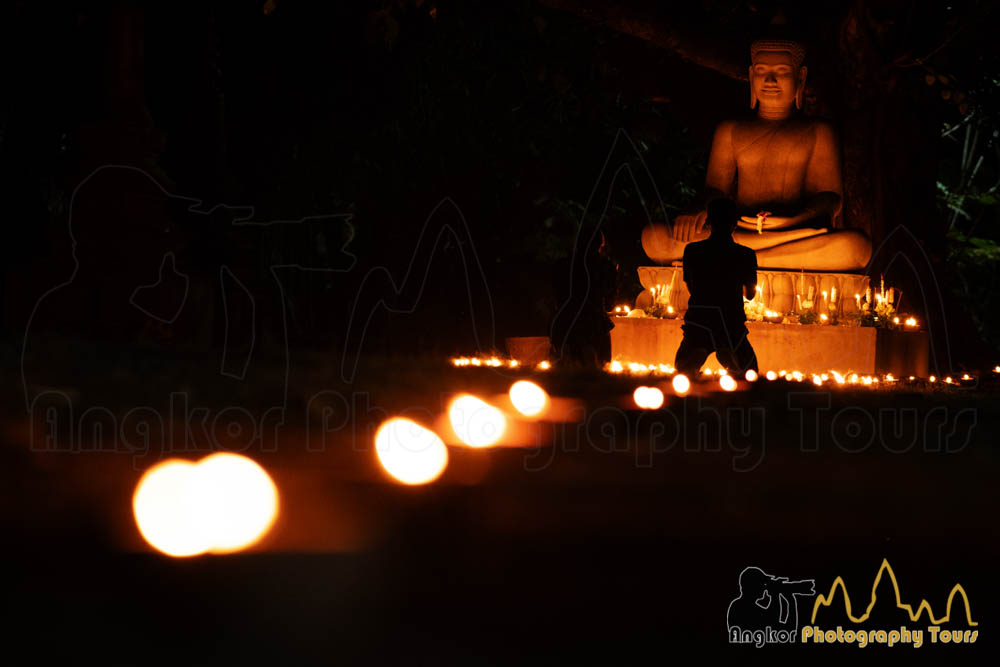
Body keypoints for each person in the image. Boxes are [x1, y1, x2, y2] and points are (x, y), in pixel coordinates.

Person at [642, 34, 872, 271]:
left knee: (856, 247)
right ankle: (744, 258)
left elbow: (831, 199)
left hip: (792, 233)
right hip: (738, 233)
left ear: (800, 78)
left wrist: (793, 220)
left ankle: (743, 261)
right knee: (654, 239)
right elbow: (715, 191)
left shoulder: (818, 131)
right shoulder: (730, 130)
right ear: (752, 77)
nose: (770, 80)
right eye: (762, 71)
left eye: (781, 71)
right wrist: (699, 210)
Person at [675, 198, 759, 376]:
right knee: (751, 372)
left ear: (707, 223)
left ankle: (696, 352)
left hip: (699, 317)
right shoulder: (746, 254)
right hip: (730, 320)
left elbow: (691, 286)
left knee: (681, 365)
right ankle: (729, 353)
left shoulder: (692, 250)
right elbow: (750, 295)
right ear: (735, 224)